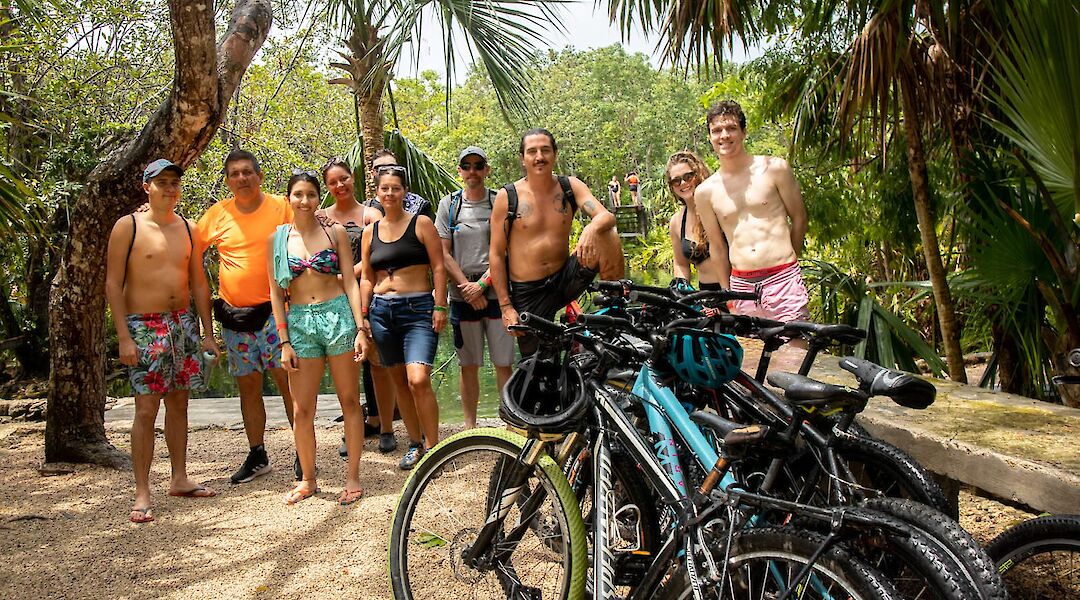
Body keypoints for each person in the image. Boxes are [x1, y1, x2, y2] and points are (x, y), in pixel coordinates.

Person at [105, 159, 220, 523]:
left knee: (180, 403)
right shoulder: (129, 226)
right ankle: (142, 491)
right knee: (145, 409)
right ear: (147, 186)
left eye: (174, 183)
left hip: (182, 324)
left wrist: (207, 333)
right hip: (144, 325)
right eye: (162, 183)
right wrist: (123, 335)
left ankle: (179, 477)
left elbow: (199, 282)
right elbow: (112, 283)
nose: (170, 189)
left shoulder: (188, 228)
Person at [195, 149, 296, 484]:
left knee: (287, 381)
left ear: (259, 176)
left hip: (275, 314)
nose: (242, 178)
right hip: (234, 318)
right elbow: (189, 251)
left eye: (247, 172)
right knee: (248, 386)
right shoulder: (216, 214)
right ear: (228, 181)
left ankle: (303, 451)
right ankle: (257, 453)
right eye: (235, 174)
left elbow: (306, 235)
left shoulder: (282, 207)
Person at [269, 172, 366, 506]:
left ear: (318, 196)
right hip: (298, 322)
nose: (305, 201)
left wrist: (360, 328)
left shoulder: (335, 232)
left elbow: (351, 282)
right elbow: (274, 293)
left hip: (337, 315)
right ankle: (308, 479)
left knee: (349, 400)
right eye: (298, 194)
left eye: (311, 194)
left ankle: (352, 477)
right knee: (302, 408)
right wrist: (283, 341)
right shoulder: (278, 240)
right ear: (289, 199)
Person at [490, 128, 625, 356]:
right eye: (532, 152)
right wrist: (506, 306)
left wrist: (591, 228)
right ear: (523, 159)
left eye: (545, 150)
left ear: (555, 154)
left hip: (566, 277)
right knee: (539, 369)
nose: (539, 157)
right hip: (529, 291)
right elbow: (495, 254)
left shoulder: (569, 186)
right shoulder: (508, 196)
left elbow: (606, 216)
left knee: (607, 233)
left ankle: (615, 308)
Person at [358, 165, 447, 469]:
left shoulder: (421, 224)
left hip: (418, 309)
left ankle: (434, 447)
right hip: (382, 311)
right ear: (377, 193)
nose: (390, 193)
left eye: (396, 188)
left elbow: (438, 266)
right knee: (398, 381)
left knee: (418, 379)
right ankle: (414, 443)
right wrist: (364, 314)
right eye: (385, 189)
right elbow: (367, 276)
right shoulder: (370, 231)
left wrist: (440, 305)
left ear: (404, 192)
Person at [694, 100, 810, 322]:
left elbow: (799, 218)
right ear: (710, 137)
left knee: (794, 354)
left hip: (783, 278)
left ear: (743, 132)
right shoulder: (705, 192)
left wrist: (790, 263)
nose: (724, 135)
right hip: (741, 286)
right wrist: (729, 296)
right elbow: (717, 248)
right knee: (752, 355)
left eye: (731, 128)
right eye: (716, 130)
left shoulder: (774, 169)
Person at [317, 159, 398, 454]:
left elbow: (378, 254)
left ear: (353, 179)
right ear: (327, 186)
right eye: (333, 182)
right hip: (333, 300)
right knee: (345, 365)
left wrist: (347, 276)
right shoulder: (320, 217)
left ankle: (387, 426)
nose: (340, 186)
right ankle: (351, 428)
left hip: (367, 292)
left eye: (344, 179)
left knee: (378, 363)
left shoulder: (370, 215)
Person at [435, 146, 515, 428]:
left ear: (486, 170)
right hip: (462, 296)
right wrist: (466, 287)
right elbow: (442, 253)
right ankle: (470, 427)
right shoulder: (449, 205)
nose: (472, 171)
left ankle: (510, 423)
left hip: (497, 293)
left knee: (503, 362)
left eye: (478, 166)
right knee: (468, 365)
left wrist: (482, 284)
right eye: (466, 166)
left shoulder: (499, 202)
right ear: (459, 170)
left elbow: (507, 250)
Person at [665, 151, 724, 291]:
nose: (683, 183)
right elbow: (681, 264)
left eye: (688, 176)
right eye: (676, 180)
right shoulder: (677, 221)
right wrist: (683, 291)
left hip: (737, 289)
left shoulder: (721, 206)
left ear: (699, 174)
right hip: (706, 295)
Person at [364, 149, 435, 221]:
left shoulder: (419, 206)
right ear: (372, 174)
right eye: (379, 168)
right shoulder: (364, 211)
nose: (386, 171)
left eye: (391, 167)